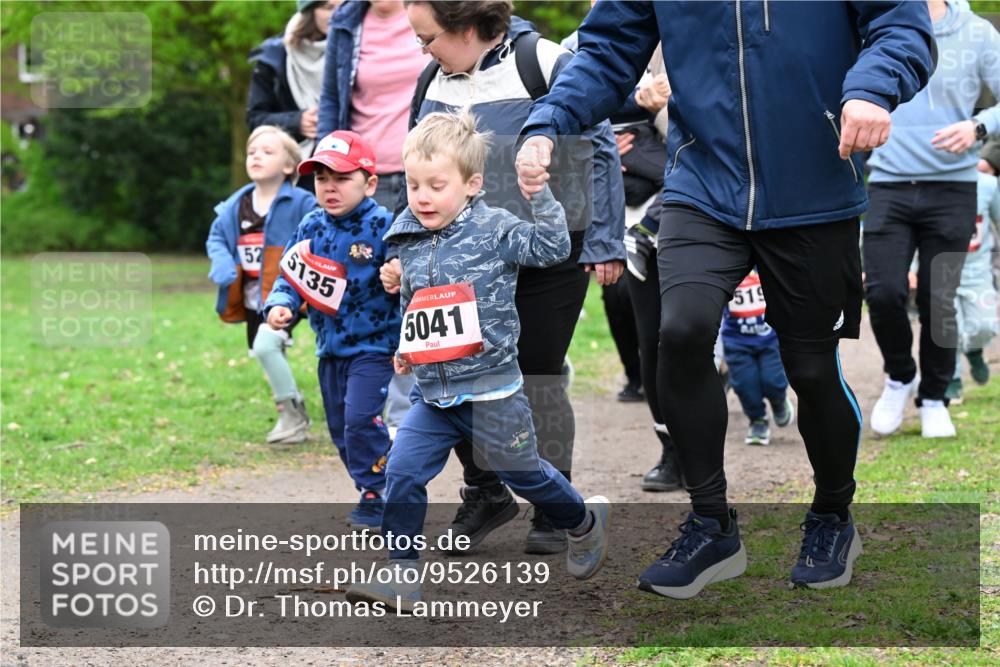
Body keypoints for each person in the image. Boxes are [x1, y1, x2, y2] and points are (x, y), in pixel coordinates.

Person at [515, 0, 933, 597]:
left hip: (815, 181)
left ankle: (832, 516)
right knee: (680, 333)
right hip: (701, 181)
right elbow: (607, 47)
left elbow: (899, 24)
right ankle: (711, 524)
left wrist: (871, 88)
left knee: (810, 369)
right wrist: (549, 119)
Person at [381, 0, 625, 557]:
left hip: (546, 249)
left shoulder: (542, 60)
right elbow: (415, 168)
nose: (423, 51)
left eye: (429, 38)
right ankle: (487, 491)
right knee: (454, 362)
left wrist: (608, 239)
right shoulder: (432, 79)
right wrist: (399, 247)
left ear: (466, 27)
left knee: (534, 371)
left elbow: (602, 143)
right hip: (461, 255)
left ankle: (551, 505)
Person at [345, 111, 611, 613]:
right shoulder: (406, 235)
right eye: (415, 185)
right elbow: (419, 303)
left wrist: (542, 198)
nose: (422, 197)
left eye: (436, 186)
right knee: (402, 472)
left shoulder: (495, 227)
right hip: (434, 394)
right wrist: (407, 346)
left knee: (525, 475)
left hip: (492, 391)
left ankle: (582, 522)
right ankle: (401, 575)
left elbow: (552, 248)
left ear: (472, 184)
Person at [864, 0, 1000, 438]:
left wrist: (979, 127)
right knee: (883, 292)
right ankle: (900, 376)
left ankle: (935, 396)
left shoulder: (978, 33)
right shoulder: (875, 21)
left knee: (939, 301)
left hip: (952, 189)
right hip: (887, 184)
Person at [262, 130, 400, 529]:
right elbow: (290, 273)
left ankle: (381, 492)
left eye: (341, 178)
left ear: (369, 182)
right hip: (330, 348)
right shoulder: (310, 225)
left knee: (360, 419)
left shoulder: (384, 225)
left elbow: (405, 268)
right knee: (341, 429)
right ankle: (374, 480)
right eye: (321, 178)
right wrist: (280, 304)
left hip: (375, 346)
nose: (330, 188)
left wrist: (398, 273)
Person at [317, 0, 431, 439]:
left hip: (424, 174)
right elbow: (332, 101)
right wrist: (329, 169)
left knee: (419, 281)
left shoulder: (432, 13)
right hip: (363, 178)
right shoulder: (346, 22)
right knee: (374, 289)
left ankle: (415, 408)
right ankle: (382, 407)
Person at [206, 125, 317, 444]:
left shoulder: (301, 203)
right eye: (252, 151)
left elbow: (317, 235)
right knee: (264, 350)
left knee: (266, 346)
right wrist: (223, 264)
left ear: (288, 166)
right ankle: (290, 413)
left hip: (287, 293)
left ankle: (293, 415)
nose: (256, 155)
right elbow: (215, 237)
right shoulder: (234, 205)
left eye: (268, 152)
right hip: (252, 297)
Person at [247, 0, 339, 160]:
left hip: (347, 160)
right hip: (294, 165)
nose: (337, 14)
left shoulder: (359, 50)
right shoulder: (274, 56)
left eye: (343, 7)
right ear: (309, 11)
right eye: (327, 7)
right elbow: (255, 118)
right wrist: (297, 122)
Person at [947, 140, 1000, 401]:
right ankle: (952, 378)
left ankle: (975, 350)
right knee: (947, 329)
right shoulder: (934, 188)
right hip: (943, 269)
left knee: (985, 326)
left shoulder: (988, 186)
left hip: (977, 270)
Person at [721, 270, 795, 446]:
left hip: (770, 338)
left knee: (773, 380)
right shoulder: (726, 263)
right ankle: (757, 420)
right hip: (736, 341)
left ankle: (778, 400)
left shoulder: (765, 258)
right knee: (745, 385)